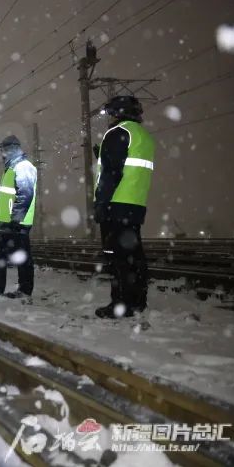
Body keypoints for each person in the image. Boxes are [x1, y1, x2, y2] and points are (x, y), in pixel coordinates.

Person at [93, 96, 154, 319]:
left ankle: (121, 304)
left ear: (118, 112)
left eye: (111, 112)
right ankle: (137, 301)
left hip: (116, 204)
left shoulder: (118, 132)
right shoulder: (142, 135)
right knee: (134, 256)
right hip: (135, 204)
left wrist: (101, 202)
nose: (110, 117)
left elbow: (111, 173)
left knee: (117, 257)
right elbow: (129, 167)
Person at [0, 135, 37, 298]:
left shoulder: (23, 167)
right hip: (4, 222)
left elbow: (25, 194)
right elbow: (8, 195)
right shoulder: (11, 168)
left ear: (12, 149)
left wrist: (16, 219)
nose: (2, 154)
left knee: (22, 257)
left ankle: (24, 291)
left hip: (17, 222)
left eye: (3, 150)